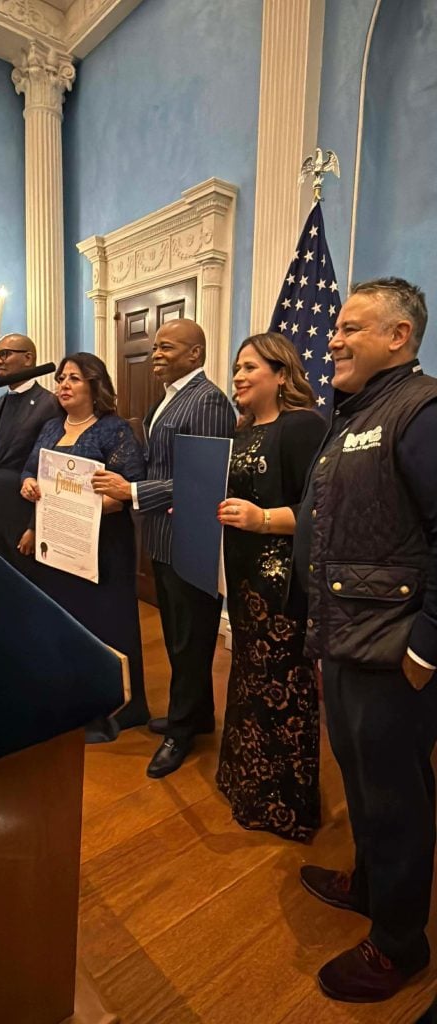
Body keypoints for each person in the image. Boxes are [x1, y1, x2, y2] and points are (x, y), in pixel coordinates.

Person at [293, 278, 437, 1002]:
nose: (333, 338)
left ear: (398, 337)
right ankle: (372, 885)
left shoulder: (421, 410)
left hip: (396, 650)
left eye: (351, 328)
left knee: (395, 799)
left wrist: (428, 645)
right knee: (360, 780)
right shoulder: (352, 416)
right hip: (346, 638)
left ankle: (400, 943)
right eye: (335, 328)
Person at [92, 318, 236, 778]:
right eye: (154, 347)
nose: (156, 354)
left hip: (191, 540)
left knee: (190, 639)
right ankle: (195, 718)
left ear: (196, 354)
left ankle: (181, 731)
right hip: (163, 537)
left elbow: (204, 481)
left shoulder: (209, 400)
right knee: (178, 636)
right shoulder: (169, 398)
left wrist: (131, 492)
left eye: (166, 347)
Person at [216, 333, 327, 842]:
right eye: (236, 368)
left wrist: (262, 519)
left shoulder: (303, 427)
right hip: (242, 577)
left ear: (282, 374)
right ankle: (245, 784)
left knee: (283, 684)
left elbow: (320, 511)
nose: (238, 376)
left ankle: (285, 803)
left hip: (282, 581)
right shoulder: (240, 432)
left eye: (250, 367)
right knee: (249, 676)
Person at [20, 352, 150, 740]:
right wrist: (27, 485)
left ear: (95, 385)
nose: (63, 384)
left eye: (74, 378)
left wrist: (92, 508)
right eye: (61, 378)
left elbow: (130, 486)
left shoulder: (114, 430)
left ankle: (124, 707)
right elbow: (31, 469)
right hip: (57, 542)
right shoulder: (49, 428)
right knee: (69, 622)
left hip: (104, 543)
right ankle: (78, 699)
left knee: (108, 622)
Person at [0, 333, 60, 570]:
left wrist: (35, 526)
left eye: (5, 354)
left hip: (24, 515)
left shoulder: (49, 404)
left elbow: (50, 471)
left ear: (28, 358)